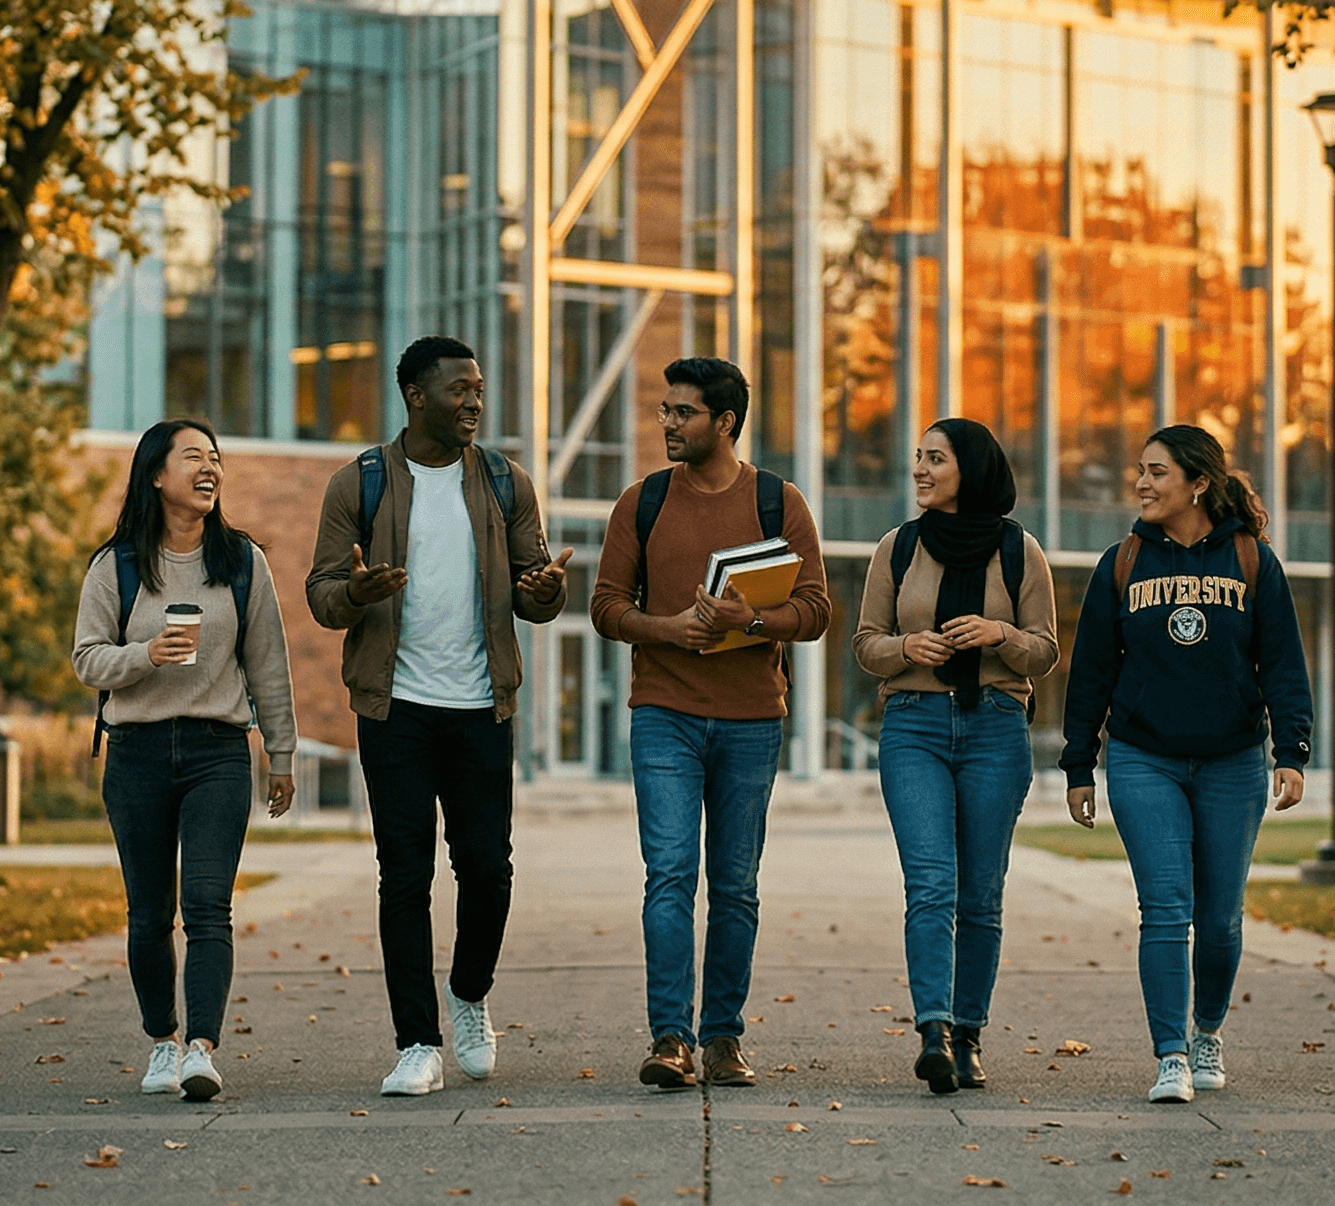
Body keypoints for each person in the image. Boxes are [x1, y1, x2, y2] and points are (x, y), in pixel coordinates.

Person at [307, 336, 571, 1099]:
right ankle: (417, 1041)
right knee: (404, 877)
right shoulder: (359, 482)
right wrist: (357, 594)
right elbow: (322, 592)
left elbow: (532, 592)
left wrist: (547, 589)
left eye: (479, 389)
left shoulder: (502, 479)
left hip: (480, 705)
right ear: (416, 395)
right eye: (459, 390)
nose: (474, 402)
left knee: (488, 870)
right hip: (395, 709)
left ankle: (468, 991)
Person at [592, 357, 831, 1091]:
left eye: (682, 413)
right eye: (665, 410)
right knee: (669, 876)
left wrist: (750, 619)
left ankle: (723, 1038)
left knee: (735, 885)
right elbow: (605, 605)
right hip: (663, 714)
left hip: (752, 720)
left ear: (724, 422)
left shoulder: (778, 502)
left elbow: (816, 610)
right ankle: (671, 1038)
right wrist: (667, 629)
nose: (667, 423)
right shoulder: (643, 501)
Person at [1059, 423, 1312, 1106]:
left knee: (1222, 918)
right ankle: (1170, 1052)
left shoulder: (1252, 560)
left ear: (1198, 482)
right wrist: (1079, 764)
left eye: (1157, 472)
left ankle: (1207, 1031)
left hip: (1232, 761)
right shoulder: (1123, 562)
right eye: (1140, 470)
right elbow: (1089, 674)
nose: (1141, 483)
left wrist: (1291, 751)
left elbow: (1284, 664)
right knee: (1165, 910)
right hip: (1145, 759)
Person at [72, 418, 298, 1104]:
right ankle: (162, 1041)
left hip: (216, 754)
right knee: (148, 913)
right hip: (136, 753)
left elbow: (269, 666)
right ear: (156, 475)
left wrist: (280, 754)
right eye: (194, 457)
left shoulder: (241, 562)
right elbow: (87, 658)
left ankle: (203, 1048)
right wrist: (145, 656)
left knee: (208, 907)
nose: (210, 469)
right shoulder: (115, 566)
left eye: (216, 459)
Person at [853, 419, 1059, 1094]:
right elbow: (864, 643)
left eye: (934, 459)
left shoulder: (1018, 549)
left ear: (968, 469)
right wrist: (906, 649)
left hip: (996, 728)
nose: (919, 469)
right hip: (913, 727)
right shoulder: (899, 546)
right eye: (917, 457)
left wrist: (999, 633)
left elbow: (1046, 650)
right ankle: (934, 1031)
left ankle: (970, 1035)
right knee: (931, 885)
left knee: (980, 895)